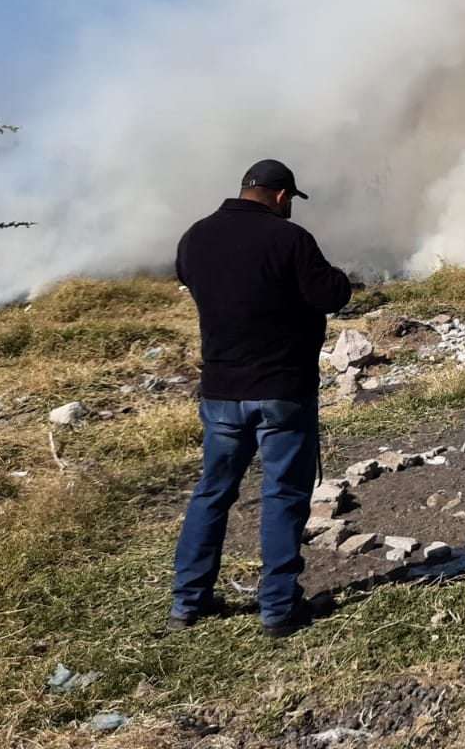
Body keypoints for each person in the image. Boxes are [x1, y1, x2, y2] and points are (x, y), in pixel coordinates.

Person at [168, 159, 352, 638]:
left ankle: (188, 602)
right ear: (280, 195)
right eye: (289, 199)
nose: (289, 207)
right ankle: (277, 609)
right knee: (284, 495)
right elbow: (332, 294)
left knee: (212, 492)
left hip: (222, 392)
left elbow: (195, 282)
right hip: (281, 391)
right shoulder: (289, 239)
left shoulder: (195, 237)